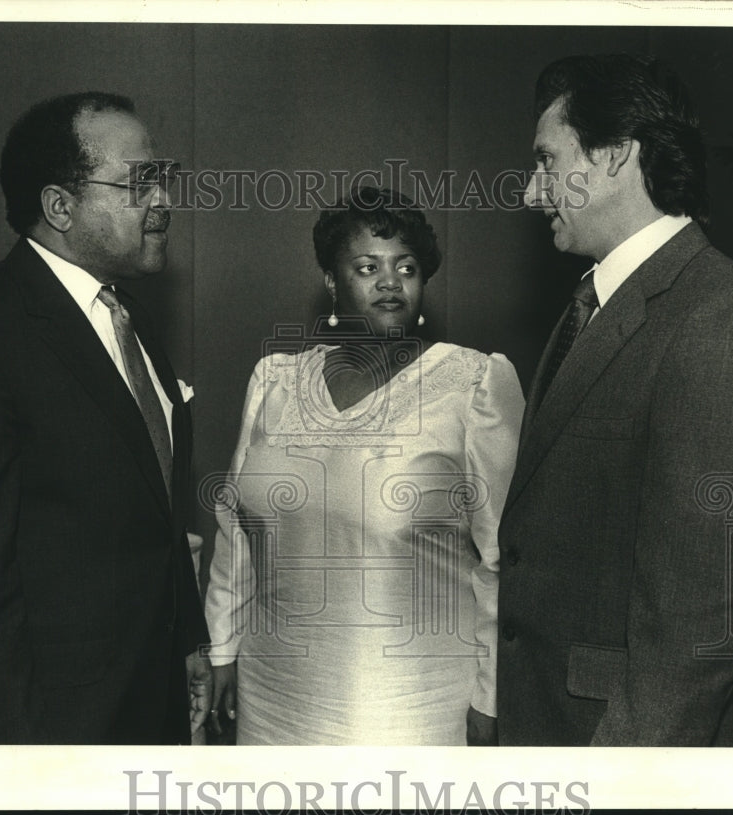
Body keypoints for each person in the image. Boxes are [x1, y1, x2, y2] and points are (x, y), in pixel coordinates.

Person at [0, 92, 211, 744]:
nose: (163, 201)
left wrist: (189, 639)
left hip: (146, 716)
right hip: (39, 739)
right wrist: (32, 765)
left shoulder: (130, 319)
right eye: (139, 183)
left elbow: (153, 516)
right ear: (60, 206)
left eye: (162, 179)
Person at [496, 55, 733, 745]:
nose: (530, 193)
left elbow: (706, 624)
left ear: (614, 154)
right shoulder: (602, 303)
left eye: (547, 160)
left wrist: (613, 778)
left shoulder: (725, 321)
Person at [204, 187, 525, 745]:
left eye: (406, 266)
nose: (389, 281)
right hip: (270, 689)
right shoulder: (274, 380)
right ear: (332, 282)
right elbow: (235, 530)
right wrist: (222, 646)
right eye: (366, 267)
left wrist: (492, 693)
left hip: (409, 703)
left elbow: (503, 561)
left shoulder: (474, 385)